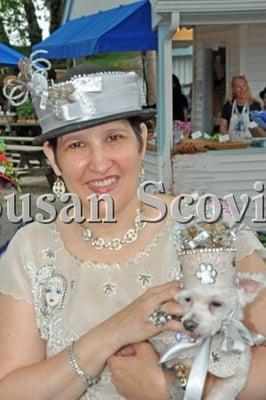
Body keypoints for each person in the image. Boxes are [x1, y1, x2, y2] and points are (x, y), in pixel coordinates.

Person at [0, 53, 265, 400]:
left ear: (141, 139)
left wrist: (171, 388)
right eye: (77, 145)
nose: (98, 163)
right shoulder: (31, 249)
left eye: (113, 138)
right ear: (52, 158)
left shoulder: (205, 228)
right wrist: (115, 331)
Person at [219, 75, 261, 141]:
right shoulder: (228, 106)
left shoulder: (255, 105)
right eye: (238, 86)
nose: (242, 89)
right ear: (233, 89)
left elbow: (260, 128)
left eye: (244, 85)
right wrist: (228, 141)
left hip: (251, 147)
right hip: (232, 146)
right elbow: (223, 128)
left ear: (247, 87)